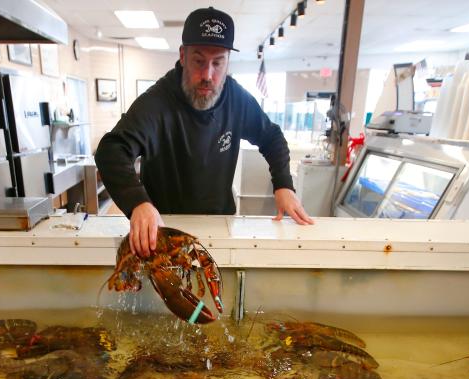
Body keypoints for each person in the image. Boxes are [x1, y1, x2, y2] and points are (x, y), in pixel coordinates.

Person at [94, 6, 314, 258]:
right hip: (164, 231)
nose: (208, 75)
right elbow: (111, 150)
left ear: (228, 61)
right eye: (198, 61)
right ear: (182, 56)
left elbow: (272, 138)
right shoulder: (156, 102)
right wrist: (138, 204)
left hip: (220, 227)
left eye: (218, 62)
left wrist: (284, 185)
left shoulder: (236, 98)